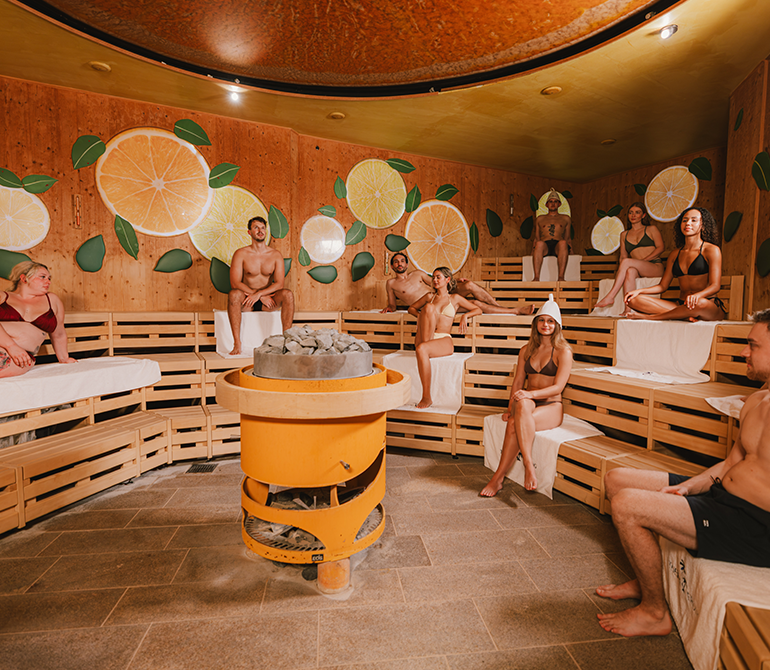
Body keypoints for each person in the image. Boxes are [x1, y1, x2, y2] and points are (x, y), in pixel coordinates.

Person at [595, 308, 770, 637]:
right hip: (721, 498)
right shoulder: (757, 400)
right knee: (616, 480)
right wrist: (690, 487)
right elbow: (731, 463)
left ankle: (654, 612)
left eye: (753, 345)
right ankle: (648, 574)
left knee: (628, 505)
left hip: (754, 524)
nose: (743, 352)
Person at [480, 295, 573, 496]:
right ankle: (527, 468)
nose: (545, 325)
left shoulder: (563, 351)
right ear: (535, 323)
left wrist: (529, 394)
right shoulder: (526, 350)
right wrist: (509, 409)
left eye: (550, 321)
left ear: (557, 325)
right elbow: (517, 382)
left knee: (514, 423)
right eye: (541, 320)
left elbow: (558, 388)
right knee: (519, 408)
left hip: (551, 406)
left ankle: (501, 477)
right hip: (528, 402)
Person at [623, 207, 725, 321]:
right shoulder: (675, 254)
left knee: (699, 304)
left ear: (703, 225)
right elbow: (662, 286)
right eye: (685, 220)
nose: (688, 223)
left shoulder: (711, 250)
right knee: (632, 300)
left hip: (705, 305)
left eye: (694, 220)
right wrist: (639, 291)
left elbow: (715, 286)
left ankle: (652, 317)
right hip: (682, 305)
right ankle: (684, 316)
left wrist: (697, 296)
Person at [408, 267, 481, 409]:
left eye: (438, 277)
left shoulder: (455, 299)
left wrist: (465, 316)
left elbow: (477, 309)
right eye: (433, 277)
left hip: (442, 338)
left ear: (447, 280)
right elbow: (411, 308)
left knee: (422, 349)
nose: (435, 280)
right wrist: (420, 317)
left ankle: (426, 397)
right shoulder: (430, 297)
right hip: (425, 335)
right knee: (428, 308)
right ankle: (426, 396)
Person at [228, 216, 294, 355]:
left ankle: (287, 342)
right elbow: (235, 283)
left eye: (263, 228)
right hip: (247, 301)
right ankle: (237, 343)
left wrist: (260, 295)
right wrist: (254, 295)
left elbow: (279, 283)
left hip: (268, 301)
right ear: (249, 232)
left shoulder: (275, 255)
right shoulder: (241, 253)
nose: (260, 230)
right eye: (256, 227)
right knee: (233, 294)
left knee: (288, 294)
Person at [0, 261, 76, 378]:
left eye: (49, 278)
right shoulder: (3, 296)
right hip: (7, 346)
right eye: (42, 277)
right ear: (24, 278)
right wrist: (11, 346)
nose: (48, 281)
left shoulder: (52, 300)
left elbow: (59, 333)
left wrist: (64, 358)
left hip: (23, 356)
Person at [594, 202, 665, 309]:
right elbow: (622, 256)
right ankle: (628, 309)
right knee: (630, 271)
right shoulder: (624, 234)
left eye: (637, 212)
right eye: (631, 213)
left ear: (644, 215)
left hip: (654, 266)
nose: (633, 215)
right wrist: (620, 274)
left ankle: (610, 296)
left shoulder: (651, 229)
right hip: (637, 269)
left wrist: (644, 260)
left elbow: (661, 248)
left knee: (627, 262)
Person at [533, 190, 571, 282]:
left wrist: (572, 251)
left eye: (555, 202)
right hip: (545, 245)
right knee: (539, 243)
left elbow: (567, 237)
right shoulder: (540, 219)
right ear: (546, 205)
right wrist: (532, 251)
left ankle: (561, 277)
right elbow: (537, 237)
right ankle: (536, 277)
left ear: (559, 204)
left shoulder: (566, 218)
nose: (553, 204)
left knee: (563, 243)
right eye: (551, 201)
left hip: (559, 245)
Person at [453, 278, 534, 315]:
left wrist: (456, 280)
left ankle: (498, 307)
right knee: (476, 303)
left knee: (469, 285)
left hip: (447, 292)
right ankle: (515, 311)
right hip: (445, 303)